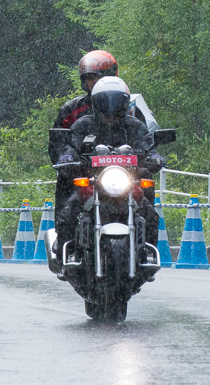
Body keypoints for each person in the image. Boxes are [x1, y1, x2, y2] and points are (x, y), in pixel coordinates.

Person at [53, 76, 165, 260]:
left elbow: (148, 145)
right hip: (93, 180)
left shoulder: (134, 125)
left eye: (116, 101)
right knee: (69, 211)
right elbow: (71, 145)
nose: (111, 107)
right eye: (105, 101)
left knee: (149, 213)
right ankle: (67, 251)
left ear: (124, 102)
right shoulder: (84, 124)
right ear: (96, 103)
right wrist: (68, 156)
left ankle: (147, 251)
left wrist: (154, 157)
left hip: (126, 181)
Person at [48, 50, 150, 224]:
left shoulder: (131, 110)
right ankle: (64, 238)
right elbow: (59, 142)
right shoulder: (73, 110)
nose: (92, 82)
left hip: (125, 173)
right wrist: (66, 158)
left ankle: (145, 242)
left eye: (96, 76)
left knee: (146, 180)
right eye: (88, 78)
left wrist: (150, 156)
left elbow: (144, 140)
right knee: (65, 183)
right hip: (85, 172)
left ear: (111, 75)